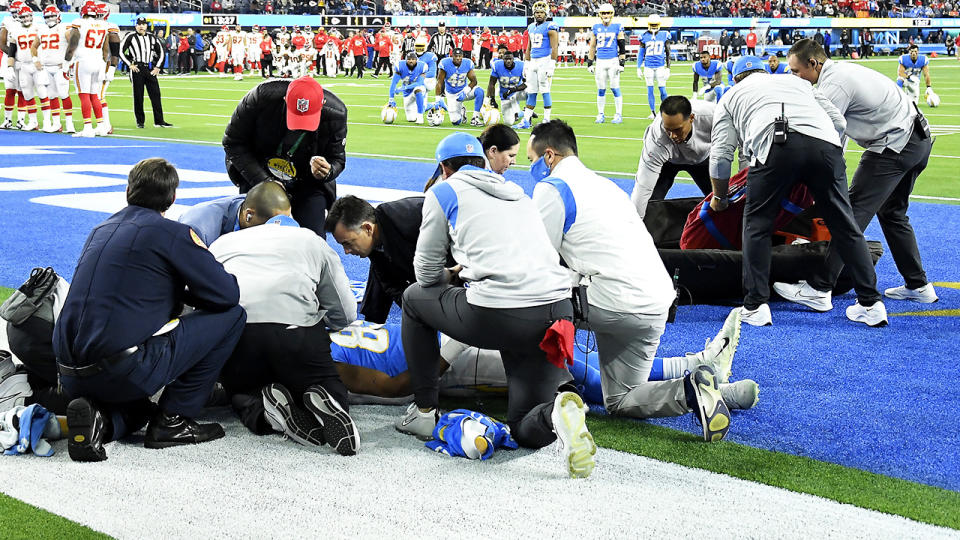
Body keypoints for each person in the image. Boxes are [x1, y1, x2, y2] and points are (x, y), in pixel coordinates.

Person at [528, 120, 753, 442]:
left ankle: (539, 400)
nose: (530, 167)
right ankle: (692, 390)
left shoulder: (552, 189)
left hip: (610, 299)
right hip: (658, 300)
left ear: (548, 156)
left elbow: (536, 261)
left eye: (531, 159)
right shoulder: (606, 187)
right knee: (619, 399)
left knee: (530, 312)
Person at [395, 132, 597, 479]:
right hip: (556, 309)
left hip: (500, 312)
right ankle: (555, 413)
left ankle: (425, 410)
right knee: (524, 428)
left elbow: (425, 274)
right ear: (485, 163)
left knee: (414, 298)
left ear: (445, 167)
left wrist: (454, 273)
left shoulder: (444, 191)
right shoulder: (518, 193)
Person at [53, 158, 247, 462]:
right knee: (233, 317)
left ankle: (100, 424)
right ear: (172, 198)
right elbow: (227, 295)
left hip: (69, 374)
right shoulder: (172, 234)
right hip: (122, 369)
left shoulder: (100, 230)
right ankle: (174, 419)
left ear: (129, 189)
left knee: (141, 409)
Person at [708, 56, 884, 327]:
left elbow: (721, 156)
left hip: (775, 145)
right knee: (845, 225)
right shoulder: (795, 81)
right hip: (826, 146)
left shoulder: (731, 96)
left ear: (735, 78)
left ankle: (755, 305)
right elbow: (839, 122)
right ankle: (871, 304)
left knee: (757, 225)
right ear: (767, 70)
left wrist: (719, 197)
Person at [775, 40, 937, 311]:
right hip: (917, 139)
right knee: (892, 214)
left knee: (847, 216)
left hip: (894, 145)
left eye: (796, 71)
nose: (794, 77)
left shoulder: (832, 86)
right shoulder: (841, 73)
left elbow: (826, 137)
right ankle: (918, 285)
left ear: (814, 64)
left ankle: (819, 287)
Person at [209, 185, 359, 456]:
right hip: (295, 334)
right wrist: (320, 318)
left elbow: (202, 300)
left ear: (249, 216)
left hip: (238, 336)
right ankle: (324, 396)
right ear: (289, 216)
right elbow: (346, 314)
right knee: (326, 383)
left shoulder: (222, 243)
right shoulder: (312, 241)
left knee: (241, 391)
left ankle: (265, 411)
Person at [222, 76, 347, 235]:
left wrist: (328, 170)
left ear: (322, 105)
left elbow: (338, 159)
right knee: (253, 234)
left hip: (306, 181)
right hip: (259, 171)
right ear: (285, 100)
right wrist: (265, 181)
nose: (301, 125)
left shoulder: (336, 114)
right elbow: (233, 142)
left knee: (313, 239)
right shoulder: (260, 98)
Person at [325, 194, 425, 324]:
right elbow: (391, 285)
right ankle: (371, 324)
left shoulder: (413, 219)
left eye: (348, 243)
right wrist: (415, 310)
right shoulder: (374, 241)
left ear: (367, 228)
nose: (346, 252)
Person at [632, 96, 715, 219]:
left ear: (691, 118)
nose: (673, 136)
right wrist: (635, 225)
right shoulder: (656, 139)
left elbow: (741, 143)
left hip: (703, 159)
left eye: (677, 130)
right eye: (668, 130)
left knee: (721, 201)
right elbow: (643, 187)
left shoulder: (713, 117)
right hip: (667, 162)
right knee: (649, 205)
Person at [177, 181, 291, 246]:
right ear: (248, 215)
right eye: (271, 226)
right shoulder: (199, 229)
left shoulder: (274, 213)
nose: (278, 233)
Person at [63, 1, 108, 137]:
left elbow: (73, 44)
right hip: (98, 61)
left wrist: (67, 62)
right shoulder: (104, 24)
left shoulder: (79, 22)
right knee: (95, 94)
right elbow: (106, 49)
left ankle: (87, 127)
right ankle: (101, 126)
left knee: (84, 95)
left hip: (83, 61)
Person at [119, 17, 172, 129]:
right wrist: (130, 64)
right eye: (139, 24)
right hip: (137, 69)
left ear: (146, 26)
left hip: (149, 68)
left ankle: (159, 120)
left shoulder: (152, 37)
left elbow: (161, 52)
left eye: (143, 24)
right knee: (138, 96)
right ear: (136, 26)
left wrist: (158, 67)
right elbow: (121, 51)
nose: (141, 26)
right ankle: (140, 121)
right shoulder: (130, 36)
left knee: (156, 94)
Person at [29, 5, 75, 133]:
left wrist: (68, 62)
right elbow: (33, 47)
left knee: (64, 94)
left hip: (60, 67)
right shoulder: (41, 29)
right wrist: (35, 60)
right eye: (47, 16)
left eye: (52, 16)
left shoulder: (64, 28)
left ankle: (69, 123)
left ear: (58, 16)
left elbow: (72, 46)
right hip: (46, 67)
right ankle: (56, 124)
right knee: (52, 95)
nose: (50, 18)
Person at [515, 0, 558, 129]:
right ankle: (526, 120)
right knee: (531, 90)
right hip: (533, 61)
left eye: (541, 12)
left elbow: (555, 47)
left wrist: (552, 64)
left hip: (545, 60)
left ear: (546, 14)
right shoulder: (531, 27)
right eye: (537, 12)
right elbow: (529, 47)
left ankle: (546, 120)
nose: (539, 15)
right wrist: (526, 63)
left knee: (545, 90)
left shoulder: (551, 26)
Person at [588, 3, 625, 124]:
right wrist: (589, 63)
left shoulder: (617, 27)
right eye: (604, 13)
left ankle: (618, 114)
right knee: (601, 89)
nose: (606, 15)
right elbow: (593, 46)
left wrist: (622, 63)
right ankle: (600, 114)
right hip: (600, 61)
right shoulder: (596, 27)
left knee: (615, 88)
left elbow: (622, 46)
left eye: (608, 13)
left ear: (612, 14)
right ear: (600, 14)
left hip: (613, 61)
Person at [436, 47, 484, 126]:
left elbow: (474, 81)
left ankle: (475, 118)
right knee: (456, 122)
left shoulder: (467, 63)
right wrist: (438, 99)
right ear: (452, 56)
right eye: (456, 56)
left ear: (462, 56)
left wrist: (465, 91)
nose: (458, 58)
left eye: (460, 56)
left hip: (464, 91)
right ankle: (462, 110)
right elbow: (439, 82)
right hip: (451, 94)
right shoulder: (445, 63)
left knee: (480, 91)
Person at [637, 13, 670, 119]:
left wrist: (668, 68)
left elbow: (668, 52)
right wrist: (638, 67)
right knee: (650, 89)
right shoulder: (644, 36)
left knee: (662, 90)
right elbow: (641, 53)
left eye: (655, 24)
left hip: (660, 66)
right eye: (652, 24)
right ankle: (653, 112)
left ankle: (667, 111)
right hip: (648, 66)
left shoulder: (665, 34)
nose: (654, 26)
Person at [486, 46, 526, 126]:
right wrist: (492, 99)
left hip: (517, 93)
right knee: (508, 122)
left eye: (510, 59)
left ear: (513, 59)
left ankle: (528, 113)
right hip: (505, 96)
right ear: (503, 59)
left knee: (530, 91)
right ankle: (522, 113)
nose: (508, 61)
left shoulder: (521, 65)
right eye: (506, 59)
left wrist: (514, 89)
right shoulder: (497, 65)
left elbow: (527, 83)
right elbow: (491, 83)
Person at [387, 51, 426, 124]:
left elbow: (419, 83)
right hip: (407, 94)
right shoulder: (400, 66)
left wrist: (404, 88)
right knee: (411, 119)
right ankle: (429, 105)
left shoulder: (422, 66)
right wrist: (391, 99)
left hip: (416, 89)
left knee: (418, 90)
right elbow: (394, 83)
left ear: (416, 60)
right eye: (409, 59)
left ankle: (420, 117)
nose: (411, 61)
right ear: (406, 60)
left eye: (413, 59)